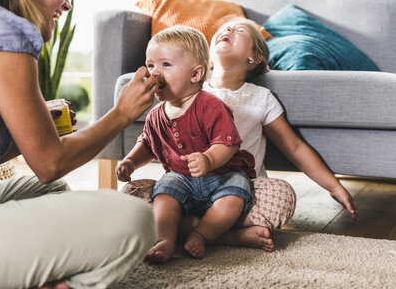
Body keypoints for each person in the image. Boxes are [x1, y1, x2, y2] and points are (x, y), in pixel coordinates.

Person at [0, 0, 157, 288]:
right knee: (135, 218)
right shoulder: (3, 28)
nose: (66, 3)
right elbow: (49, 163)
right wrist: (121, 114)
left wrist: (39, 126)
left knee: (49, 193)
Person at [121, 17, 356, 253]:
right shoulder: (181, 91)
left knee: (283, 196)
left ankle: (189, 229)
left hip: (236, 194)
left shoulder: (261, 98)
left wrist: (333, 186)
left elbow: (294, 147)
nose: (228, 29)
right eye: (223, 28)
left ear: (253, 57)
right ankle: (227, 236)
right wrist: (130, 162)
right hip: (183, 192)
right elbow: (149, 142)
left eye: (239, 29)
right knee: (130, 197)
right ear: (205, 61)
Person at [116, 25, 258, 263]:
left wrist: (208, 159)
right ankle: (164, 240)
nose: (155, 73)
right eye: (151, 65)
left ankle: (202, 235)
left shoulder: (210, 106)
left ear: (195, 74)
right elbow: (148, 145)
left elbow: (229, 143)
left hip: (221, 176)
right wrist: (130, 161)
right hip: (180, 179)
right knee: (164, 194)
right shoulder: (155, 114)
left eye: (165, 65)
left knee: (236, 192)